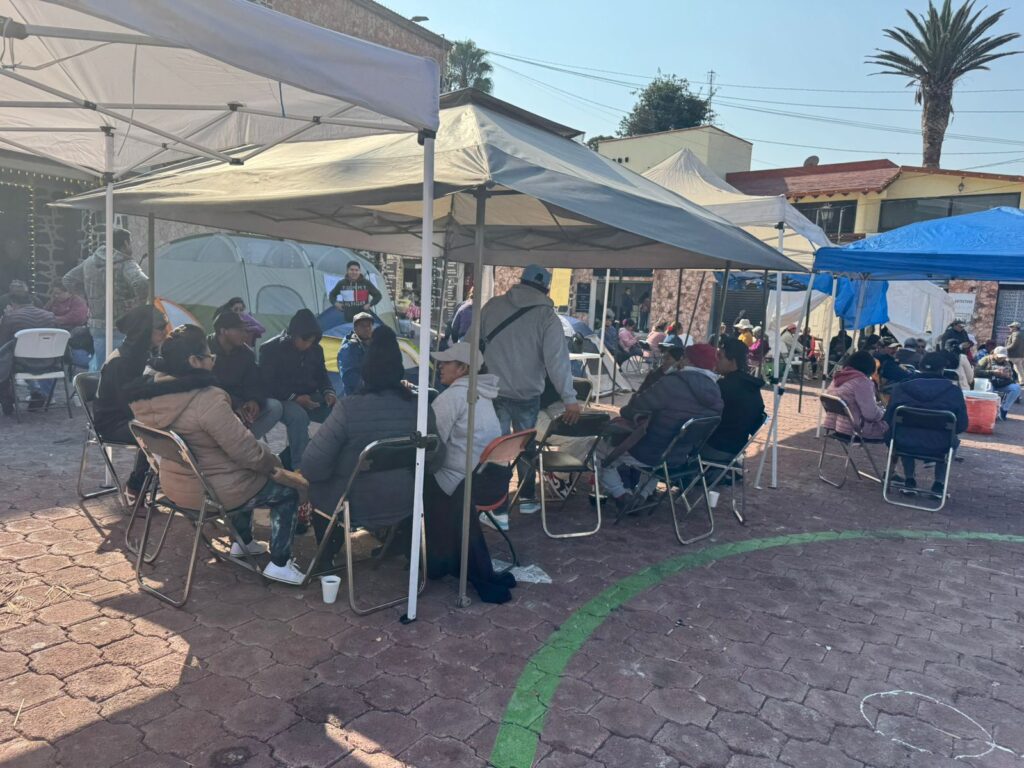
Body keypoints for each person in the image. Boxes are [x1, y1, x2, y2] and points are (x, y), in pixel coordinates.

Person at [128, 325, 307, 584]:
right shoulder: (207, 399)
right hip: (211, 492)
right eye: (209, 356)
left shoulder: (150, 395)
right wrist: (276, 464)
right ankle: (280, 563)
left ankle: (242, 541)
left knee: (241, 472)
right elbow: (247, 452)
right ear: (194, 361)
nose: (213, 361)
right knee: (285, 489)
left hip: (174, 487)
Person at [302, 326, 436, 570]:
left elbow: (312, 466)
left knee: (319, 484)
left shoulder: (348, 408)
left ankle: (326, 557)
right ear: (400, 370)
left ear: (365, 370)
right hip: (408, 501)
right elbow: (436, 455)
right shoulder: (420, 407)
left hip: (357, 504)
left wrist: (344, 466)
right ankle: (401, 540)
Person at [474, 265, 581, 528]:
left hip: (493, 389)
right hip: (527, 393)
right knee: (525, 446)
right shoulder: (547, 317)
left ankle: (496, 509)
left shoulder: (492, 306)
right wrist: (570, 398)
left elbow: (469, 343)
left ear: (520, 281)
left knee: (496, 449)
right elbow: (558, 362)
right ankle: (528, 498)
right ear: (546, 289)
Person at [424, 341, 515, 603]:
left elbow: (432, 444)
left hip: (464, 483)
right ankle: (441, 558)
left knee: (416, 478)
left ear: (463, 368)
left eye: (446, 362)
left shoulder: (451, 397)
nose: (440, 366)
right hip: (491, 480)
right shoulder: (483, 394)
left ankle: (434, 559)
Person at [598, 343, 724, 511]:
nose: (681, 359)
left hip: (649, 453)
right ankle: (642, 495)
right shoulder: (716, 392)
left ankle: (622, 494)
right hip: (681, 456)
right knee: (665, 447)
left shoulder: (673, 382)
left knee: (598, 451)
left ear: (691, 361)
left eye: (685, 356)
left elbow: (631, 409)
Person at [91, 306, 168, 498]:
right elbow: (126, 405)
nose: (165, 331)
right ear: (144, 330)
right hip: (113, 422)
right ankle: (136, 487)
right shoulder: (122, 361)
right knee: (158, 433)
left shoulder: (143, 354)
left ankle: (166, 485)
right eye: (160, 327)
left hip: (132, 416)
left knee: (175, 426)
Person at [259, 309, 337, 468]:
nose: (308, 344)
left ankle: (334, 459)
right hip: (282, 399)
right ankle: (300, 467)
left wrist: (328, 392)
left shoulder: (316, 349)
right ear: (293, 334)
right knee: (298, 417)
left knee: (338, 411)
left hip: (310, 396)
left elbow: (322, 375)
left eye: (312, 340)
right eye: (305, 340)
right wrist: (294, 397)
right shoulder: (270, 349)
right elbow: (268, 384)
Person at [63, 227, 149, 371]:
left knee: (101, 366)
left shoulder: (90, 262)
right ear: (125, 243)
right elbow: (142, 283)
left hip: (97, 324)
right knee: (119, 369)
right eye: (130, 243)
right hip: (121, 323)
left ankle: (95, 390)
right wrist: (138, 305)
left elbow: (68, 280)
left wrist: (88, 298)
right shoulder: (125, 263)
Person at [885, 352, 967, 497]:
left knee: (903, 430)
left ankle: (909, 480)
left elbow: (888, 418)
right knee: (950, 439)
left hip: (903, 442)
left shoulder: (901, 388)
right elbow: (961, 425)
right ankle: (938, 484)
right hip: (939, 445)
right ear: (942, 369)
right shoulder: (953, 392)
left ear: (920, 367)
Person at [207, 311, 282, 440]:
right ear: (223, 331)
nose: (245, 335)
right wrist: (234, 404)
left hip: (241, 404)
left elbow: (253, 382)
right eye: (240, 330)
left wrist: (254, 400)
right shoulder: (205, 350)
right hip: (214, 404)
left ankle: (243, 442)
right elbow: (206, 386)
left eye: (245, 330)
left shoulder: (246, 354)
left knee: (275, 407)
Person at [702, 337, 766, 464]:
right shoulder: (752, 386)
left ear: (732, 361)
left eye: (720, 356)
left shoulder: (723, 387)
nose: (716, 360)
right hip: (737, 449)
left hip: (716, 448)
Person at [0, 295, 58, 414]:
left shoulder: (10, 317)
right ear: (32, 302)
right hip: (49, 361)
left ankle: (8, 400)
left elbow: (3, 343)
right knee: (22, 357)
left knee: (6, 360)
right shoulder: (50, 316)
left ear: (13, 304)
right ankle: (36, 391)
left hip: (22, 363)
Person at [823, 350, 888, 440]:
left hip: (836, 426)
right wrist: (883, 413)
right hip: (855, 430)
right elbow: (871, 415)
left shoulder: (837, 377)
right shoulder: (862, 382)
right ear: (869, 368)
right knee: (893, 427)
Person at [975, 346, 1020, 420]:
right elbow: (976, 371)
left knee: (1016, 388)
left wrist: (1007, 375)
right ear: (994, 354)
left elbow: (1012, 376)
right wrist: (992, 372)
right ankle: (989, 411)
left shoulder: (1007, 362)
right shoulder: (986, 359)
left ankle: (1004, 409)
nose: (1001, 359)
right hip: (989, 382)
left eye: (1003, 357)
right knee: (989, 387)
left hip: (1002, 383)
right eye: (999, 357)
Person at [337, 312, 374, 397]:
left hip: (375, 395)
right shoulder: (348, 348)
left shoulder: (375, 345)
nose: (367, 328)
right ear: (355, 328)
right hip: (356, 399)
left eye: (369, 325)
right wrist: (376, 386)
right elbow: (350, 379)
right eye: (362, 326)